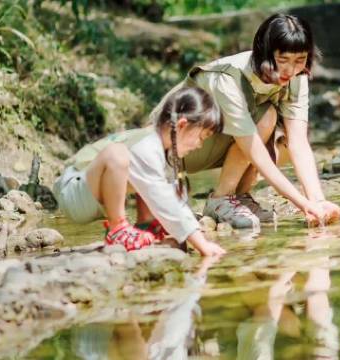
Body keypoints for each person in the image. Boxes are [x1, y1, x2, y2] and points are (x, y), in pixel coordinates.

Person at [168, 13, 340, 229]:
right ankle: (220, 199)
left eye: (300, 60)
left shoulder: (296, 77)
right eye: (282, 60)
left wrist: (318, 201)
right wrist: (304, 205)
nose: (290, 70)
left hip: (215, 143)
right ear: (264, 53)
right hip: (175, 153)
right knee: (266, 117)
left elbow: (298, 142)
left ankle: (239, 197)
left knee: (275, 132)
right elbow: (253, 150)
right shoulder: (227, 78)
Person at [53, 85, 227, 257]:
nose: (200, 145)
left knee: (154, 180)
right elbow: (165, 201)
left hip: (95, 195)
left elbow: (172, 198)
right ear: (182, 125)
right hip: (74, 192)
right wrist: (202, 245)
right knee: (118, 154)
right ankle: (118, 228)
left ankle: (147, 227)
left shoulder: (167, 150)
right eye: (201, 137)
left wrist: (191, 232)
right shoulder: (147, 145)